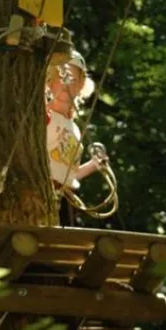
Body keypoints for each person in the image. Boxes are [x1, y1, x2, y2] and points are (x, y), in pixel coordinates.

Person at [45, 50, 106, 224]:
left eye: (73, 79)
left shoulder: (74, 129)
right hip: (42, 195)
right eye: (62, 76)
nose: (66, 83)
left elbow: (68, 174)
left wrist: (94, 165)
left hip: (66, 200)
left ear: (81, 86)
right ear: (49, 81)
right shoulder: (44, 115)